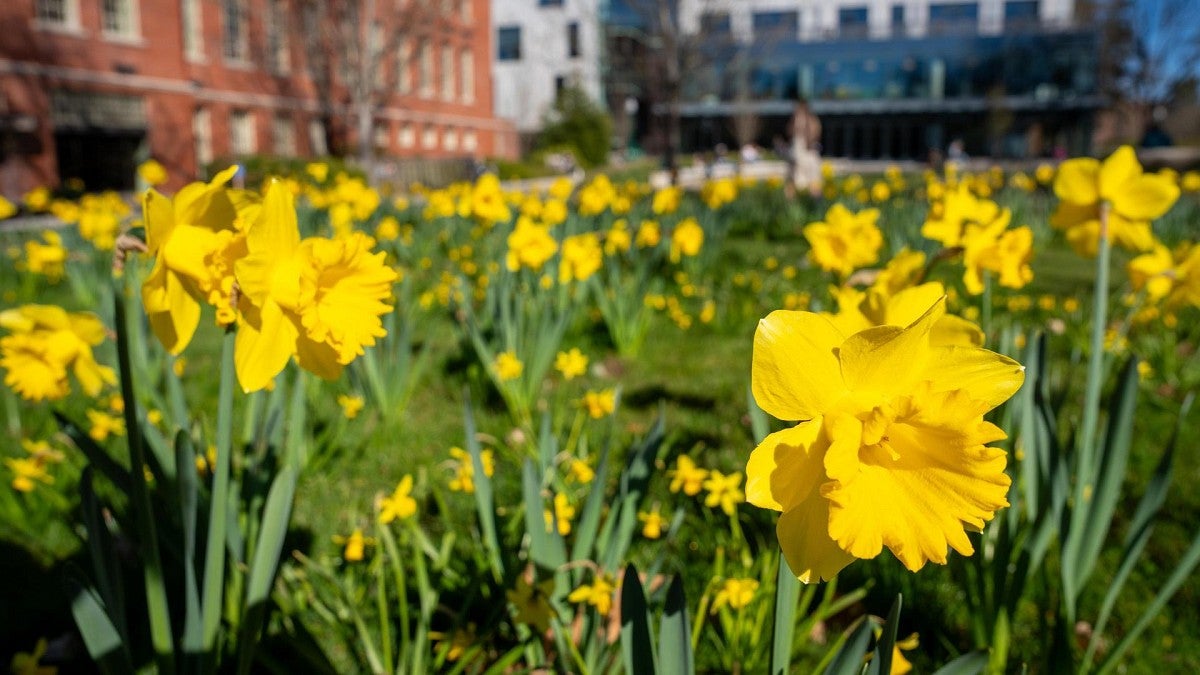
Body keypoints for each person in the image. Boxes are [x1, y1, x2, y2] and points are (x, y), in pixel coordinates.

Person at [788, 99, 822, 198]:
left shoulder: (810, 119)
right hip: (799, 154)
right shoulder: (797, 119)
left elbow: (815, 133)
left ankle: (816, 203)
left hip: (807, 154)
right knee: (794, 181)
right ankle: (793, 206)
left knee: (812, 181)